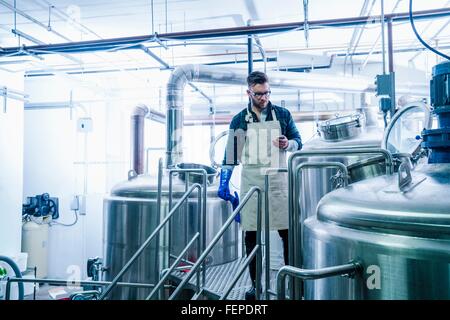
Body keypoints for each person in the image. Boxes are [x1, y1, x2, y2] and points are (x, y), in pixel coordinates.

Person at [217, 71, 302, 300]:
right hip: (252, 183)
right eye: (259, 94)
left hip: (277, 181)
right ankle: (256, 286)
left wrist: (288, 143)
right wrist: (224, 181)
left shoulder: (282, 115)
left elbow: (298, 141)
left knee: (287, 233)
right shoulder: (239, 120)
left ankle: (295, 282)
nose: (264, 98)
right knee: (251, 236)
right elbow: (232, 154)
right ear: (249, 92)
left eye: (266, 93)